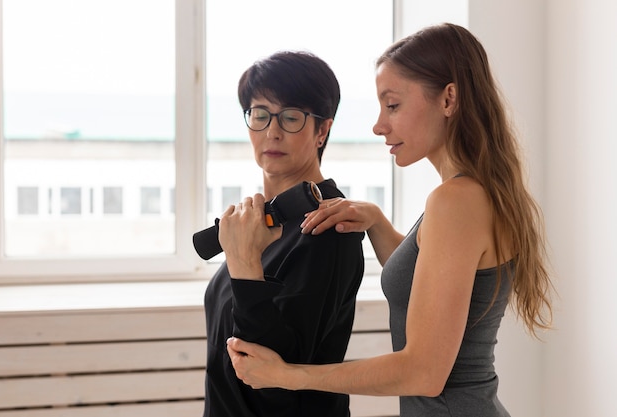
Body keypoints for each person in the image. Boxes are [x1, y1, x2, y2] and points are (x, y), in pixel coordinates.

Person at [226, 23, 553, 417]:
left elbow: (424, 372)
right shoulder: (469, 195)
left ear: (449, 99)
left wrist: (291, 375)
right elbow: (433, 286)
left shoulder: (457, 201)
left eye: (393, 105)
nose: (379, 125)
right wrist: (377, 222)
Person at [202, 51, 365, 417]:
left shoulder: (330, 227)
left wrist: (244, 267)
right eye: (260, 115)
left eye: (291, 117)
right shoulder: (263, 221)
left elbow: (276, 375)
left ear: (322, 130)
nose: (272, 131)